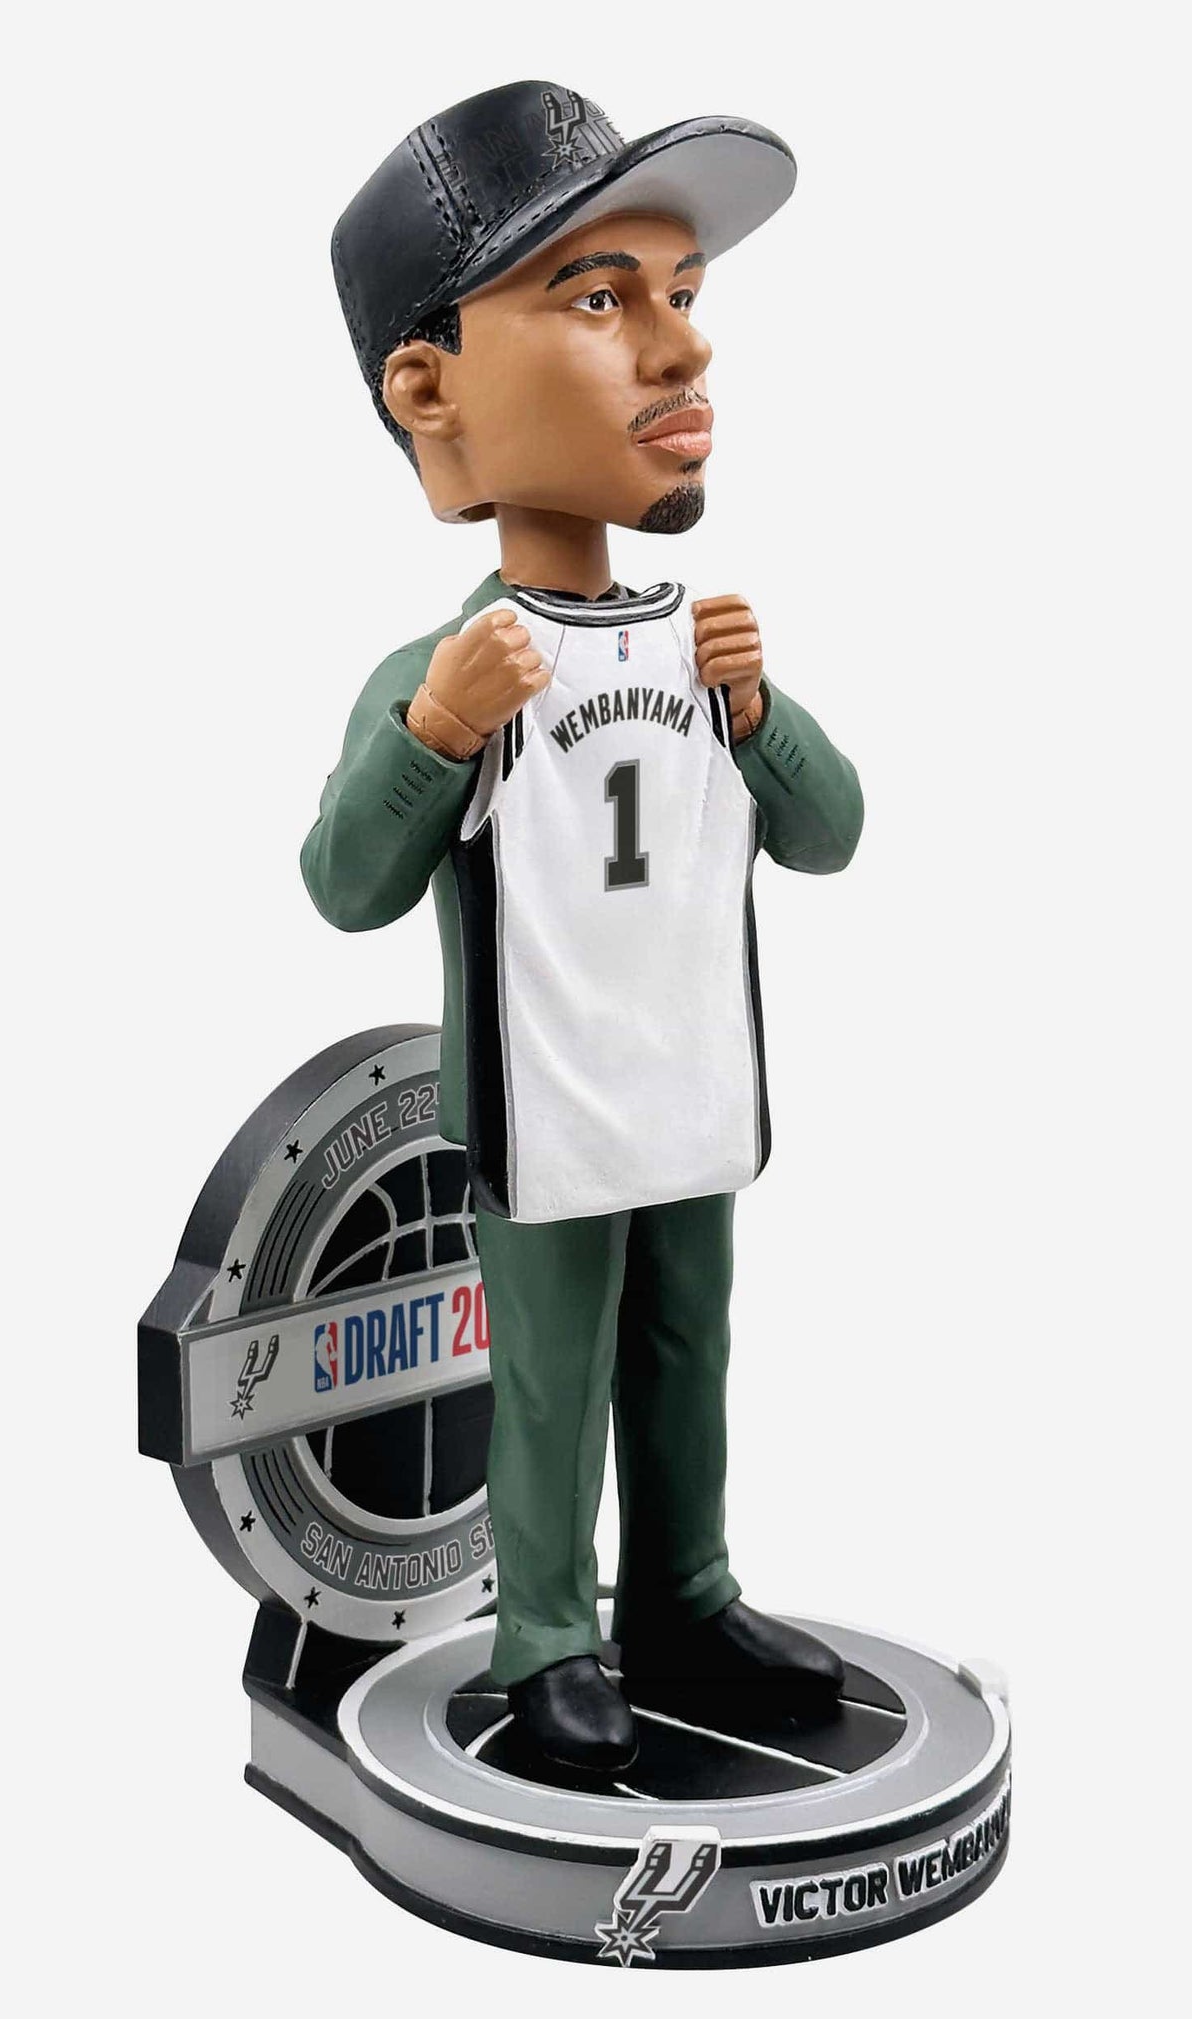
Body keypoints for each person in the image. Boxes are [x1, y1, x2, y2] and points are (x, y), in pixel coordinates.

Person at [305, 81, 864, 1771]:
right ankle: (546, 1628)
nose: (684, 349)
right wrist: (435, 733)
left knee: (689, 1348)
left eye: (682, 295)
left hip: (692, 1084)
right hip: (547, 1104)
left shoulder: (700, 640)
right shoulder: (454, 669)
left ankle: (683, 1595)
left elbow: (832, 834)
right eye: (604, 298)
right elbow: (346, 883)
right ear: (432, 389)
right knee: (552, 1371)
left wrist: (760, 713)